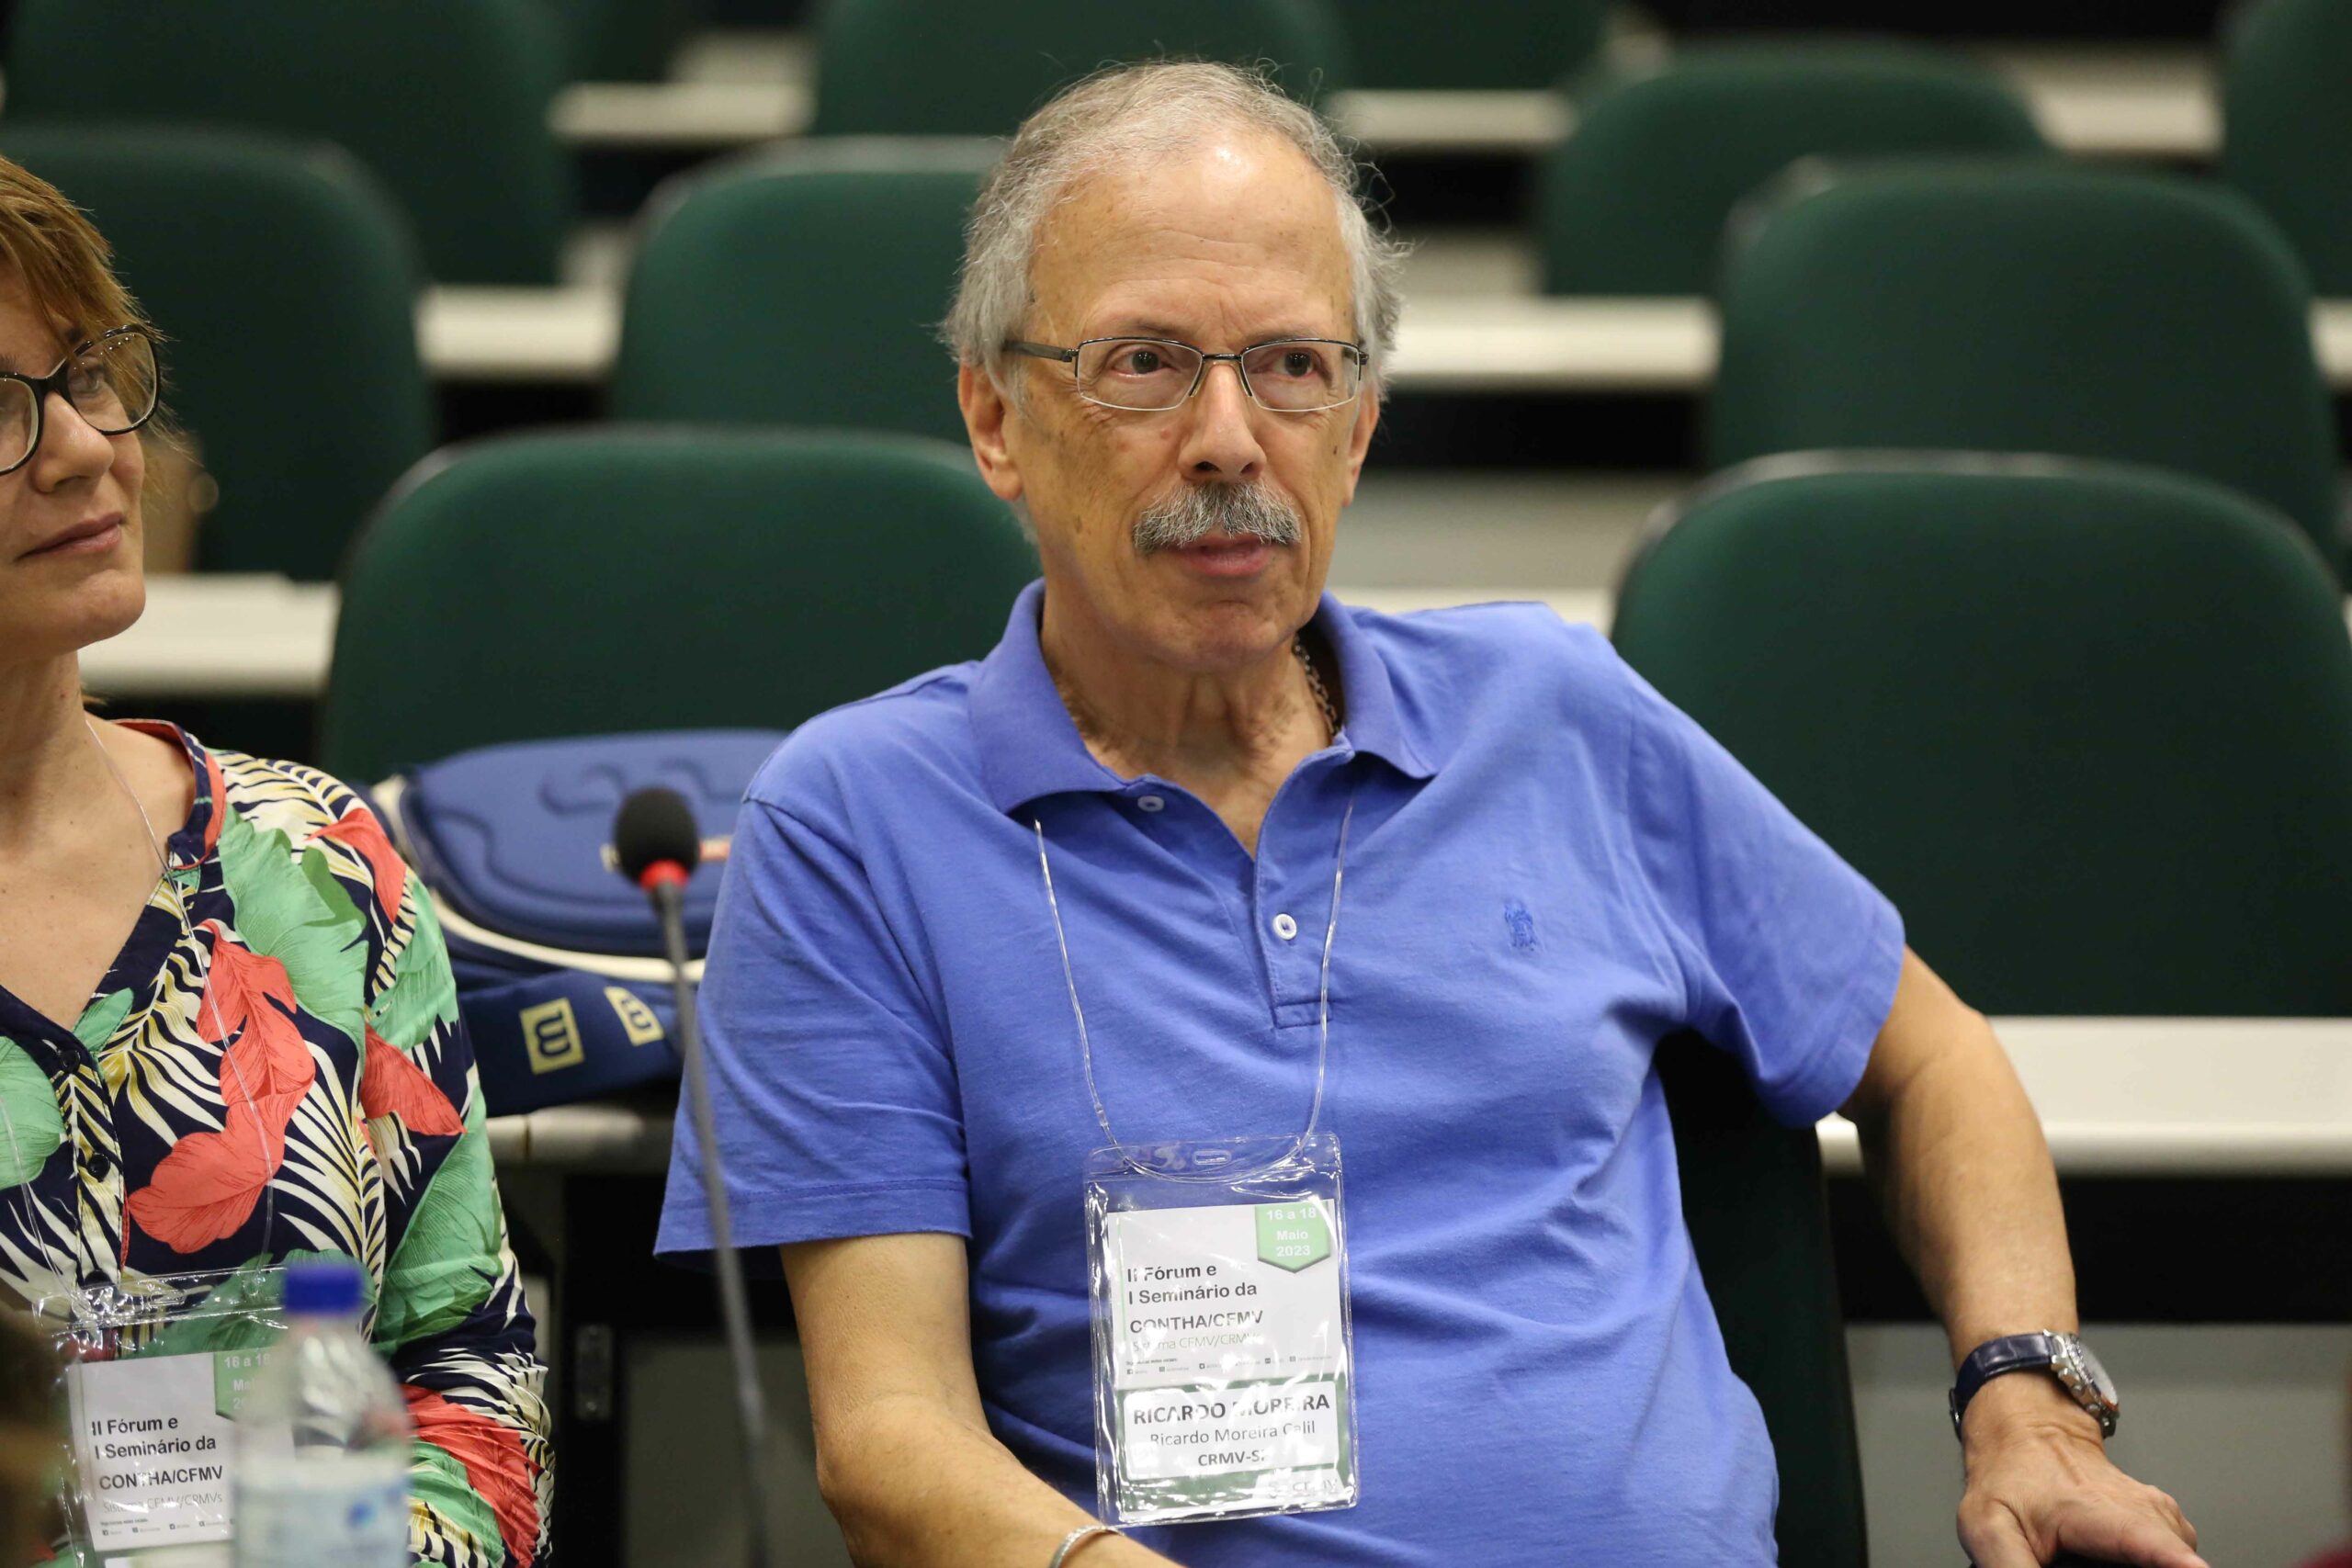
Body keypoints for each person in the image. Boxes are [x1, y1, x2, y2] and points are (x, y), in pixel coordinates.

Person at [656, 62, 2202, 1568]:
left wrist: (2031, 1403)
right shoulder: (856, 820)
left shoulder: (1556, 714)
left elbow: (1932, 1055)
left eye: (1291, 364)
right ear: (997, 421)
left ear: (1359, 427)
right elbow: (889, 1443)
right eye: (1144, 363)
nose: (1228, 437)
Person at [0, 156, 549, 1563]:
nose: (82, 447)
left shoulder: (315, 860)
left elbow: (464, 1366)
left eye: (88, 374)